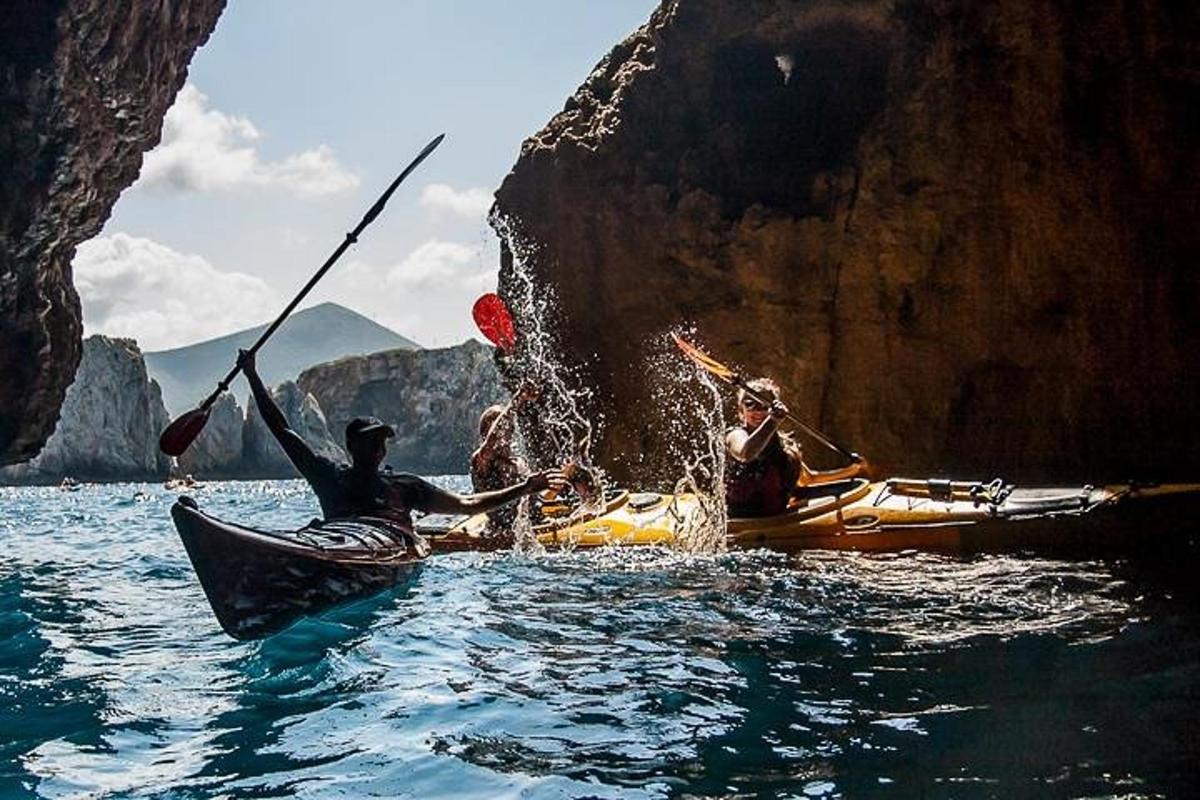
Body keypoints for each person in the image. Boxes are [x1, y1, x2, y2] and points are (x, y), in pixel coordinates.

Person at [238, 349, 566, 534]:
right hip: (338, 545)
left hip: (382, 550)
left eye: (380, 442)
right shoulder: (328, 475)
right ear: (353, 449)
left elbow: (467, 505)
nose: (378, 448)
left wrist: (526, 488)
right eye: (372, 443)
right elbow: (283, 430)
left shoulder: (404, 487)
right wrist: (252, 376)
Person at [724, 377, 803, 517]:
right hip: (741, 518)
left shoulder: (784, 443)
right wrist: (773, 420)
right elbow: (745, 454)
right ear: (740, 410)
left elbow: (809, 479)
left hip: (776, 516)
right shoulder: (735, 435)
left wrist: (850, 471)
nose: (758, 411)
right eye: (750, 405)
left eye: (764, 405)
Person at [470, 385, 536, 532]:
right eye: (498, 428)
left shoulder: (518, 462)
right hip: (502, 529)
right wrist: (517, 400)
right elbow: (490, 442)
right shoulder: (481, 460)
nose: (502, 432)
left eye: (507, 429)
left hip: (533, 523)